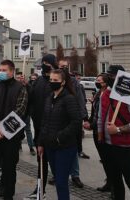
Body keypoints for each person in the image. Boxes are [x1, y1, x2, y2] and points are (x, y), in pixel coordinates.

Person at [97, 65, 130, 200]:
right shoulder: (105, 94)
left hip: (125, 147)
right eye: (108, 75)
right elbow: (101, 117)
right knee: (115, 182)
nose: (110, 78)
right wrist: (100, 137)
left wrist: (118, 129)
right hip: (107, 146)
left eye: (113, 76)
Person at [0, 60, 28, 200]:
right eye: (0, 70)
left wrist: (4, 129)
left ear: (12, 71)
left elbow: (20, 110)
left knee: (9, 171)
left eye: (4, 70)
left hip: (11, 137)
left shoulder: (20, 88)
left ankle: (8, 196)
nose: (0, 72)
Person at [38, 69, 82, 200]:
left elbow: (76, 122)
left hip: (65, 147)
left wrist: (59, 136)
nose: (52, 82)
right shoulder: (49, 98)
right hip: (50, 146)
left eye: (55, 80)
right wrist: (40, 142)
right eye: (51, 80)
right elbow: (44, 121)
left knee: (62, 181)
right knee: (58, 178)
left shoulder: (69, 99)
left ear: (63, 82)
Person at [26, 54, 58, 199]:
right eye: (43, 62)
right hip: (39, 128)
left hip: (55, 129)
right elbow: (31, 99)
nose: (44, 64)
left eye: (47, 62)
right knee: (41, 161)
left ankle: (62, 190)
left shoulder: (58, 80)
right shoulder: (38, 81)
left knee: (57, 162)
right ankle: (40, 189)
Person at [56, 58, 89, 189]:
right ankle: (57, 174)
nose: (63, 68)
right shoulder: (54, 80)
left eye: (65, 66)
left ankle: (75, 175)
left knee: (72, 148)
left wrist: (84, 117)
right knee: (57, 148)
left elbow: (81, 101)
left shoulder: (75, 82)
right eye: (61, 66)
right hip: (57, 119)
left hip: (71, 119)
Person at [86, 73, 112, 192]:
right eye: (96, 80)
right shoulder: (97, 93)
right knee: (104, 158)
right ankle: (109, 181)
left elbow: (103, 114)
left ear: (105, 83)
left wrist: (92, 125)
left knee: (108, 158)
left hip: (104, 130)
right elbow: (95, 112)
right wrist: (90, 122)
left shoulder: (109, 94)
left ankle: (113, 183)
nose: (97, 82)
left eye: (99, 80)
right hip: (97, 130)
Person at [15, 72, 36, 156]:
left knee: (28, 130)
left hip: (26, 113)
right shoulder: (15, 87)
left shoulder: (27, 87)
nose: (19, 79)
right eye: (17, 77)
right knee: (18, 130)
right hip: (16, 113)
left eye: (20, 77)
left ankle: (31, 147)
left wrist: (26, 85)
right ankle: (18, 145)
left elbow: (31, 96)